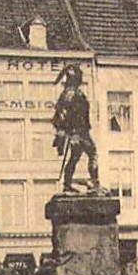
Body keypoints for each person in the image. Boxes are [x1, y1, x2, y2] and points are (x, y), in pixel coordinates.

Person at [52, 64, 99, 194]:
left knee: (74, 157)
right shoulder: (76, 94)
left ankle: (67, 183)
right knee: (93, 153)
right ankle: (94, 181)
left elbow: (59, 116)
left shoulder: (64, 95)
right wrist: (73, 131)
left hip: (74, 133)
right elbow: (73, 115)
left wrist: (64, 132)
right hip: (80, 132)